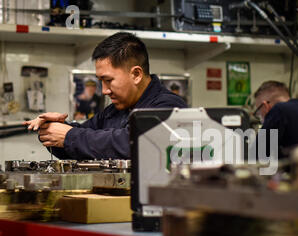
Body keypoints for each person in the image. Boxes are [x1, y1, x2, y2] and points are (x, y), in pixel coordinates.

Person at [24, 32, 187, 160]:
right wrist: (51, 128)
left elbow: (134, 144)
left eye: (108, 80)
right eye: (100, 81)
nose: (104, 91)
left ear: (136, 74)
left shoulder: (170, 106)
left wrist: (68, 136)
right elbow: (83, 138)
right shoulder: (114, 111)